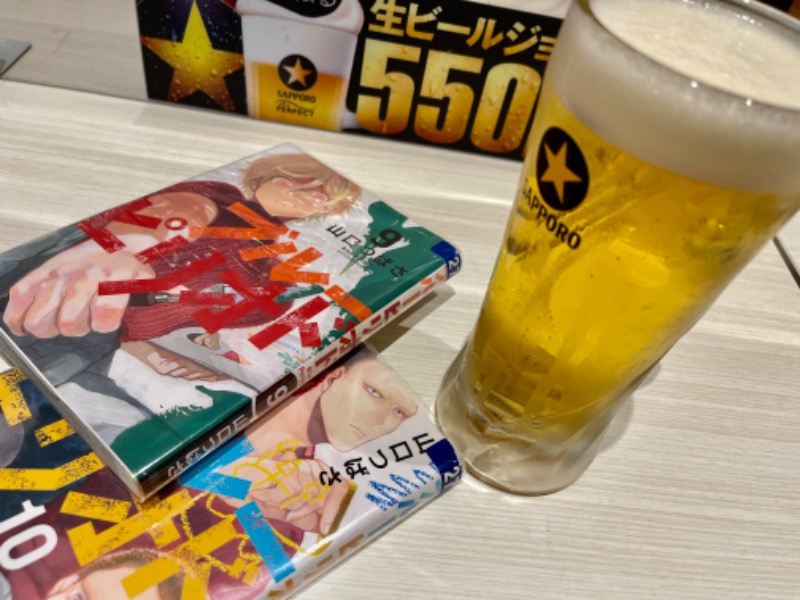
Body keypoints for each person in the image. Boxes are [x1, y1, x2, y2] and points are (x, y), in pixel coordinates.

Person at [0, 151, 362, 442]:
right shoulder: (215, 198)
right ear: (262, 179)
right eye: (291, 182)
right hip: (50, 294)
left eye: (324, 199)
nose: (309, 198)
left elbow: (191, 316)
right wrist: (122, 247)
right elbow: (177, 211)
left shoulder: (271, 272)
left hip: (95, 347)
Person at [212, 346, 419, 538]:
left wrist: (278, 518)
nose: (380, 421)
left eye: (399, 412)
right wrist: (226, 480)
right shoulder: (233, 390)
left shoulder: (308, 491)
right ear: (334, 377)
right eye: (374, 393)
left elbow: (260, 555)